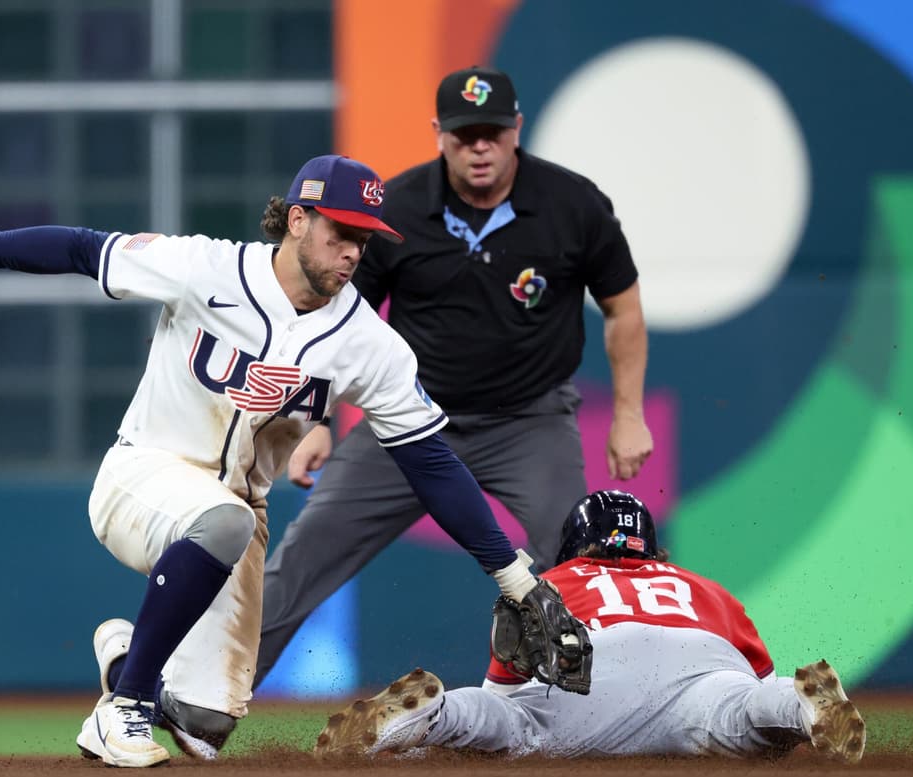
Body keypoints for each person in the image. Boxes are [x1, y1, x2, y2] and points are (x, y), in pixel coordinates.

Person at [0, 154, 585, 768]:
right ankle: (123, 706)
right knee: (218, 520)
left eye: (363, 240)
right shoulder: (207, 268)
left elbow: (432, 464)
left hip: (235, 518)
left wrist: (515, 576)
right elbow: (79, 248)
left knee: (205, 725)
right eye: (340, 233)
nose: (352, 253)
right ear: (298, 220)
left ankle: (129, 661)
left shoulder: (369, 343)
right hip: (143, 476)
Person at [255, 66, 655, 693]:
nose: (480, 147)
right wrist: (318, 418)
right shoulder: (401, 206)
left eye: (492, 132)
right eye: (466, 134)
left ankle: (604, 708)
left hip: (529, 420)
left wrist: (628, 413)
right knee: (301, 558)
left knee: (577, 563)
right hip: (408, 421)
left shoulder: (572, 205)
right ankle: (210, 697)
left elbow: (623, 308)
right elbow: (338, 319)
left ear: (516, 129)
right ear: (439, 133)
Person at [313, 490, 867, 764]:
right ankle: (799, 706)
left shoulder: (549, 581)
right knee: (746, 708)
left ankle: (433, 713)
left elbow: (505, 687)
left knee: (509, 720)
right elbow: (752, 669)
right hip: (702, 672)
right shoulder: (703, 586)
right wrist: (760, 705)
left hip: (591, 675)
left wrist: (483, 714)